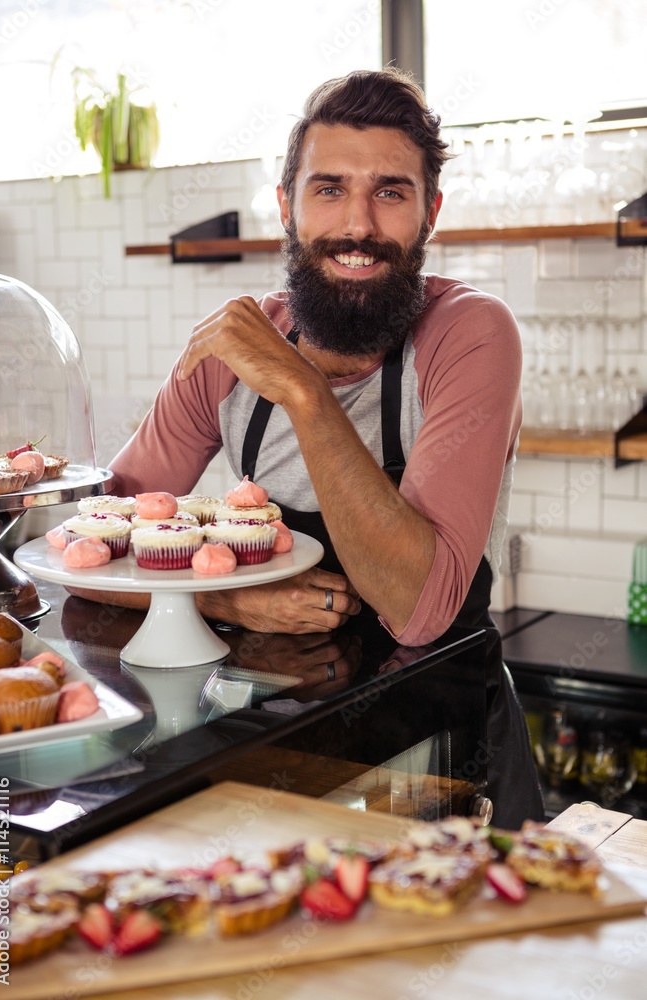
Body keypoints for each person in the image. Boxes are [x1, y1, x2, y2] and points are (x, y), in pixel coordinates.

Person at [73, 68, 543, 825]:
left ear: (429, 214)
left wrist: (301, 390)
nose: (357, 225)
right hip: (278, 740)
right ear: (288, 206)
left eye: (390, 192)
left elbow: (417, 611)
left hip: (442, 749)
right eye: (329, 189)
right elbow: (91, 549)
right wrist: (231, 597)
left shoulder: (469, 334)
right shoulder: (233, 346)